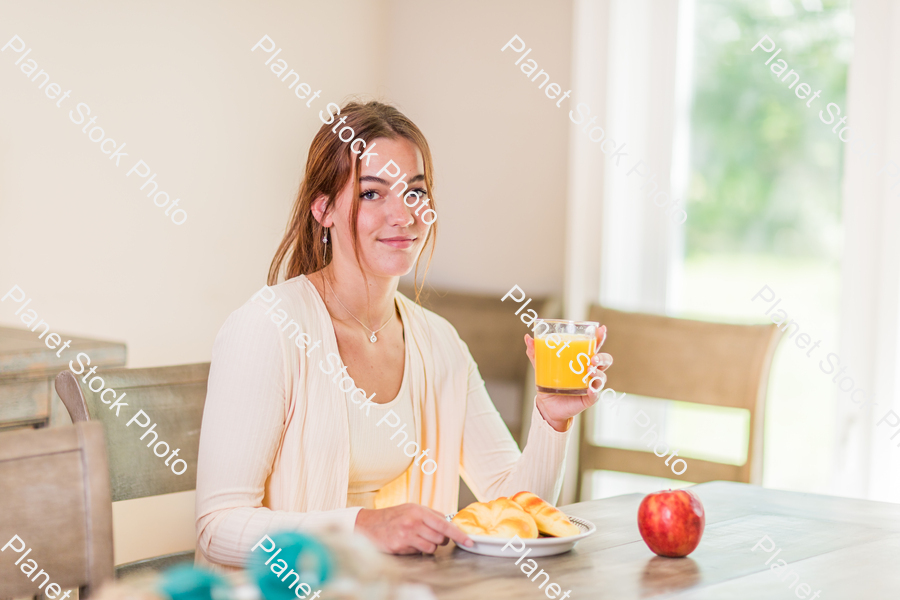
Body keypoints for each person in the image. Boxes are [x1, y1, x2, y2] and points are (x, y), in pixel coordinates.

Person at [194, 100, 612, 570]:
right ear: (324, 209)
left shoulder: (439, 342)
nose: (403, 214)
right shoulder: (268, 328)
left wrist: (551, 418)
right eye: (373, 193)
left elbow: (517, 510)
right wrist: (363, 527)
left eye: (415, 192)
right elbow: (218, 527)